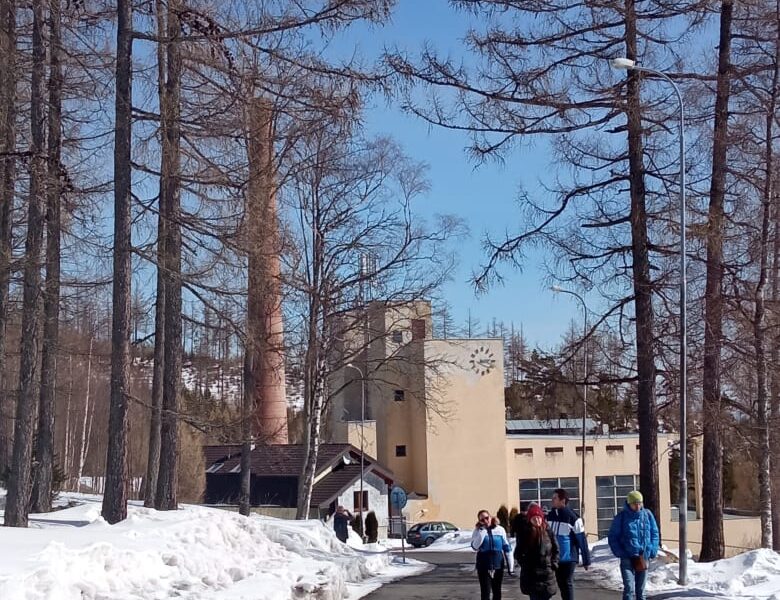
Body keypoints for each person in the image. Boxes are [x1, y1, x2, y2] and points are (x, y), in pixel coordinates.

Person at [607, 491, 660, 600]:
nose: (637, 506)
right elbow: (613, 537)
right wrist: (620, 552)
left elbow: (654, 533)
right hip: (627, 557)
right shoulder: (621, 517)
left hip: (643, 557)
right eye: (634, 503)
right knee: (629, 588)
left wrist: (653, 548)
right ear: (629, 503)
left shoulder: (647, 515)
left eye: (639, 503)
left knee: (641, 590)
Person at [548, 488, 592, 600]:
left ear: (563, 501)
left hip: (569, 558)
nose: (552, 500)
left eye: (555, 498)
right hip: (555, 558)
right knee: (561, 584)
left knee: (567, 583)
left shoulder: (573, 518)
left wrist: (586, 560)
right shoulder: (550, 516)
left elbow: (582, 540)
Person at [514, 503, 559, 600]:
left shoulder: (548, 531)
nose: (537, 520)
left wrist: (554, 563)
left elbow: (556, 549)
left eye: (539, 518)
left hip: (547, 573)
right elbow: (518, 553)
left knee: (546, 597)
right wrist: (525, 564)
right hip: (532, 575)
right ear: (529, 519)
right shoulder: (525, 533)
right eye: (534, 518)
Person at [471, 509, 513, 600]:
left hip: (498, 565)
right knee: (485, 592)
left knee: (497, 592)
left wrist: (511, 566)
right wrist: (482, 532)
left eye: (487, 518)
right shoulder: (478, 531)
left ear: (490, 517)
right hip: (484, 566)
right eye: (482, 520)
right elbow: (475, 547)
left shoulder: (500, 529)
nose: (486, 521)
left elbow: (507, 548)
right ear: (479, 521)